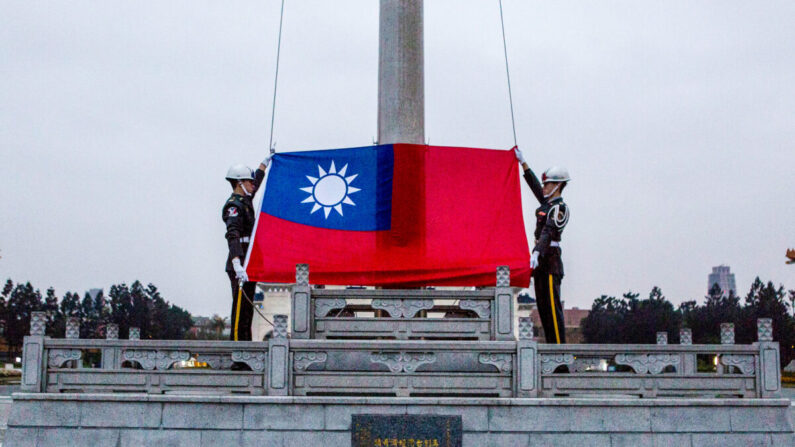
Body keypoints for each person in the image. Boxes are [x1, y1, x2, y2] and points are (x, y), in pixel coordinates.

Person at [514, 147, 570, 344]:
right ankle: (552, 349)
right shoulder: (547, 205)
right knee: (543, 308)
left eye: (549, 184)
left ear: (558, 185)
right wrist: (524, 163)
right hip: (540, 261)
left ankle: (559, 354)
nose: (545, 187)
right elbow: (536, 187)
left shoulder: (559, 209)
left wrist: (537, 251)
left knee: (553, 311)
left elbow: (547, 231)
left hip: (550, 260)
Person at [223, 155, 270, 341]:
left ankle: (245, 346)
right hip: (239, 261)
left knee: (247, 309)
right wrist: (236, 262)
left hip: (249, 261)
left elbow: (256, 183)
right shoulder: (234, 206)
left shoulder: (245, 200)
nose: (252, 185)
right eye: (249, 182)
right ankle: (237, 348)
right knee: (240, 308)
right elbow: (232, 234)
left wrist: (263, 166)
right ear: (239, 183)